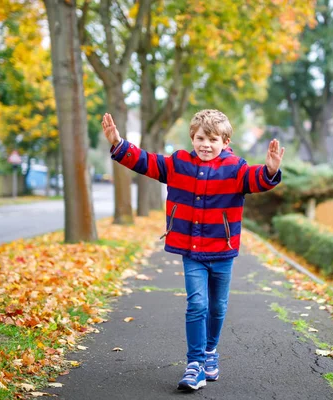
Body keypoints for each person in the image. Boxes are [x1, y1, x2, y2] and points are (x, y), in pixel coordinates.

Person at [101, 109, 284, 391]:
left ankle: (211, 351)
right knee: (197, 304)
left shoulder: (235, 168)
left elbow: (255, 179)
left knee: (217, 307)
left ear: (225, 141)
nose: (205, 145)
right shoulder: (178, 164)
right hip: (192, 250)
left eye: (212, 139)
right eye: (200, 138)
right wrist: (119, 144)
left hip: (222, 250)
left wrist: (270, 170)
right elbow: (147, 162)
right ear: (192, 137)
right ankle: (195, 364)